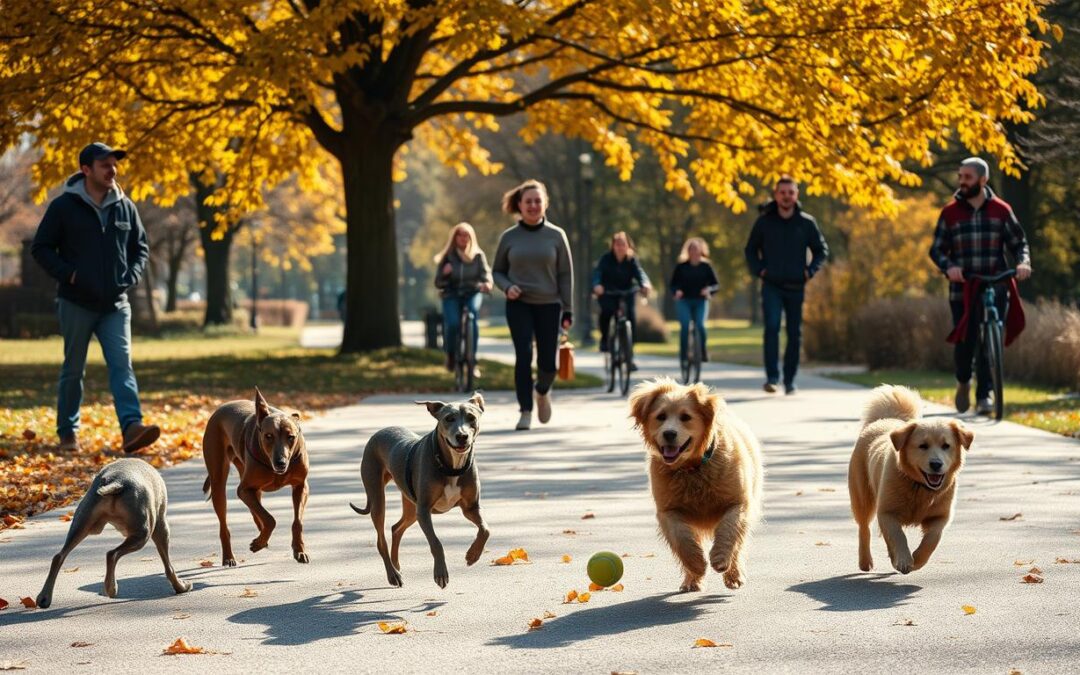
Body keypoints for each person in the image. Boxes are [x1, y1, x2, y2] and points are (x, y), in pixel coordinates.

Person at [30, 142, 160, 454]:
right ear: (86, 170)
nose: (112, 170)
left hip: (115, 304)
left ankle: (131, 428)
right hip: (76, 302)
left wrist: (130, 277)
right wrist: (69, 274)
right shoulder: (63, 207)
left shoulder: (125, 205)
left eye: (114, 164)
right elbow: (41, 247)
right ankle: (67, 432)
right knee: (74, 368)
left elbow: (140, 247)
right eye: (104, 164)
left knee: (122, 365)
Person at [929, 157, 1031, 416]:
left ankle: (984, 395)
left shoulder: (1001, 210)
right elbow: (937, 250)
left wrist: (1023, 263)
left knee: (989, 341)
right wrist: (949, 267)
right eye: (960, 176)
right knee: (965, 343)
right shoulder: (950, 212)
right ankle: (964, 380)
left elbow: (1019, 243)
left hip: (996, 282)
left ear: (982, 180)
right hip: (962, 287)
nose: (962, 182)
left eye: (968, 177)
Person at [492, 179, 573, 431]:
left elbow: (565, 274)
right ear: (520, 205)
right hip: (519, 304)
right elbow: (497, 272)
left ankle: (542, 391)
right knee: (524, 355)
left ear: (545, 203)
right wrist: (507, 287)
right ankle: (525, 411)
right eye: (528, 201)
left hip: (549, 304)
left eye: (538, 201)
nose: (533, 205)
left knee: (548, 364)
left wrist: (568, 309)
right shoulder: (509, 237)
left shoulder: (557, 235)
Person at [743, 176, 829, 395]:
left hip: (796, 286)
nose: (787, 196)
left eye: (791, 192)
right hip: (771, 284)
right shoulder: (764, 222)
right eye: (783, 192)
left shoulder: (806, 222)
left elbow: (821, 250)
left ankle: (789, 380)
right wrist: (760, 269)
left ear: (796, 195)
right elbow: (750, 250)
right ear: (776, 194)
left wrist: (810, 271)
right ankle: (772, 378)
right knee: (771, 328)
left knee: (794, 333)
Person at [433, 222, 493, 378]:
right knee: (452, 323)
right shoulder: (448, 257)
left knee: (472, 318)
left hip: (472, 293)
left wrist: (487, 284)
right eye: (460, 235)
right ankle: (451, 355)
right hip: (451, 294)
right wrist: (445, 274)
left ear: (471, 237)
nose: (463, 238)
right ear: (454, 237)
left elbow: (486, 274)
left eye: (466, 235)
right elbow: (438, 282)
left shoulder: (478, 256)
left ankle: (472, 362)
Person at [592, 231, 652, 371]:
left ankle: (629, 356)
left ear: (628, 246)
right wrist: (597, 285)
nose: (620, 247)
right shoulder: (606, 259)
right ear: (612, 246)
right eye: (617, 244)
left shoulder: (632, 260)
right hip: (608, 292)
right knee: (606, 312)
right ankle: (605, 340)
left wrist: (645, 284)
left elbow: (640, 273)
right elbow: (597, 273)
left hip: (627, 293)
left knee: (630, 319)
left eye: (623, 244)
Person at [670, 237, 718, 368]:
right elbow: (673, 284)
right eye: (691, 249)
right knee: (685, 326)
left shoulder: (706, 266)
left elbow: (715, 285)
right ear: (688, 251)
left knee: (700, 326)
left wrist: (708, 290)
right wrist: (677, 291)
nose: (694, 252)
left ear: (701, 250)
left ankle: (702, 351)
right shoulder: (681, 267)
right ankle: (684, 356)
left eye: (696, 249)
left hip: (701, 301)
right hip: (684, 301)